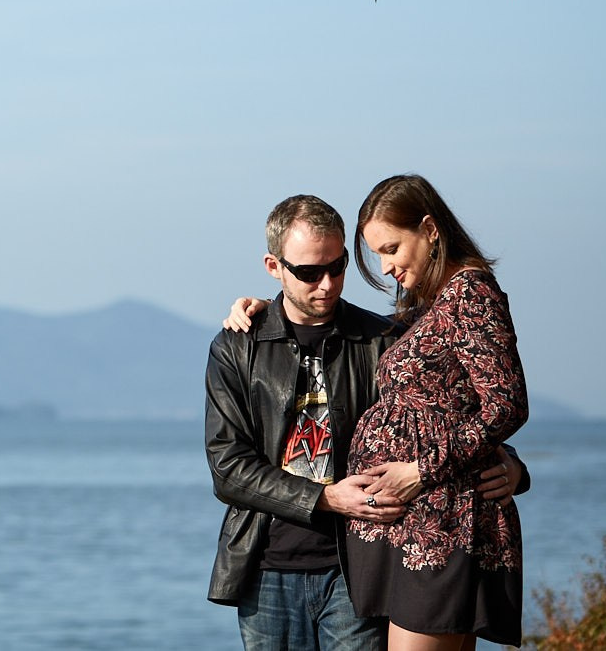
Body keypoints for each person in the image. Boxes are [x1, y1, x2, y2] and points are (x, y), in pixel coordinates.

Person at [205, 195, 524, 651]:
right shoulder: (239, 347)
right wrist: (327, 498)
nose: (328, 284)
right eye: (309, 273)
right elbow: (228, 467)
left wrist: (510, 463)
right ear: (274, 266)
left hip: (357, 564)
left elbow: (450, 407)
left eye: (337, 267)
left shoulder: (382, 339)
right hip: (265, 567)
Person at [341, 175, 528, 650]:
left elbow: (506, 404)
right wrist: (270, 307)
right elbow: (458, 402)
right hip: (422, 527)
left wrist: (421, 471)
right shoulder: (435, 302)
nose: (384, 266)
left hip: (442, 527)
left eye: (391, 248)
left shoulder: (471, 293)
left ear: (429, 229)